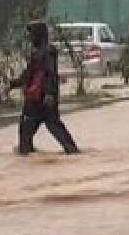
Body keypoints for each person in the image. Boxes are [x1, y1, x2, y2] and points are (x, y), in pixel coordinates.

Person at [10, 21, 79, 156]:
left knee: (49, 126)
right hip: (35, 98)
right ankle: (27, 152)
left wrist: (49, 93)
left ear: (39, 35)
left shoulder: (48, 51)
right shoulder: (37, 52)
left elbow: (50, 73)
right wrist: (14, 83)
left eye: (32, 34)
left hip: (43, 98)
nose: (30, 37)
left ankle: (71, 150)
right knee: (29, 129)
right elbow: (29, 73)